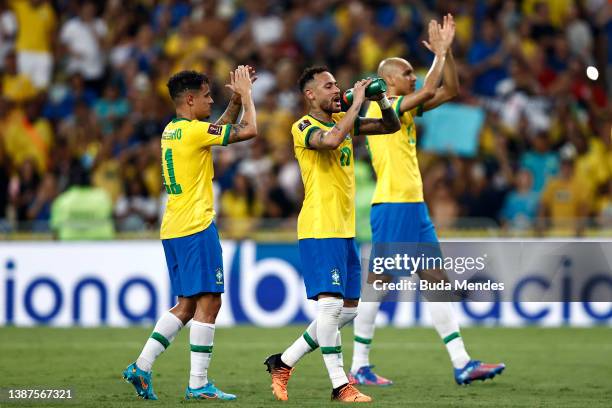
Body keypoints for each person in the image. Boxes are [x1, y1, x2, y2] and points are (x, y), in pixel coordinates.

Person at [350, 14, 506, 387]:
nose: (413, 77)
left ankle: (462, 363)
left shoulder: (403, 107)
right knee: (379, 282)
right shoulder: (380, 107)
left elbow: (449, 89)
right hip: (394, 204)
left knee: (435, 278)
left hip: (412, 205)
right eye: (406, 73)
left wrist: (447, 53)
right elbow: (432, 82)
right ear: (387, 81)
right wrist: (438, 53)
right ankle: (358, 363)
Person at [264, 65, 400, 402]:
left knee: (349, 311)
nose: (337, 90)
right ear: (311, 95)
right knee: (329, 309)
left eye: (337, 85)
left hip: (344, 229)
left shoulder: (346, 123)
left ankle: (283, 362)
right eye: (329, 86)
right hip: (319, 226)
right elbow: (332, 139)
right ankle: (341, 385)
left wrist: (380, 98)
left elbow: (390, 126)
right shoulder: (304, 127)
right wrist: (355, 105)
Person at [122, 65, 258, 401]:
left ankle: (141, 366)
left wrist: (236, 99)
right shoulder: (195, 132)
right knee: (210, 301)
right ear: (190, 99)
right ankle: (198, 384)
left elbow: (219, 127)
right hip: (196, 226)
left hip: (174, 226)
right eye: (208, 96)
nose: (213, 101)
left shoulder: (174, 130)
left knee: (186, 305)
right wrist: (248, 97)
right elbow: (250, 130)